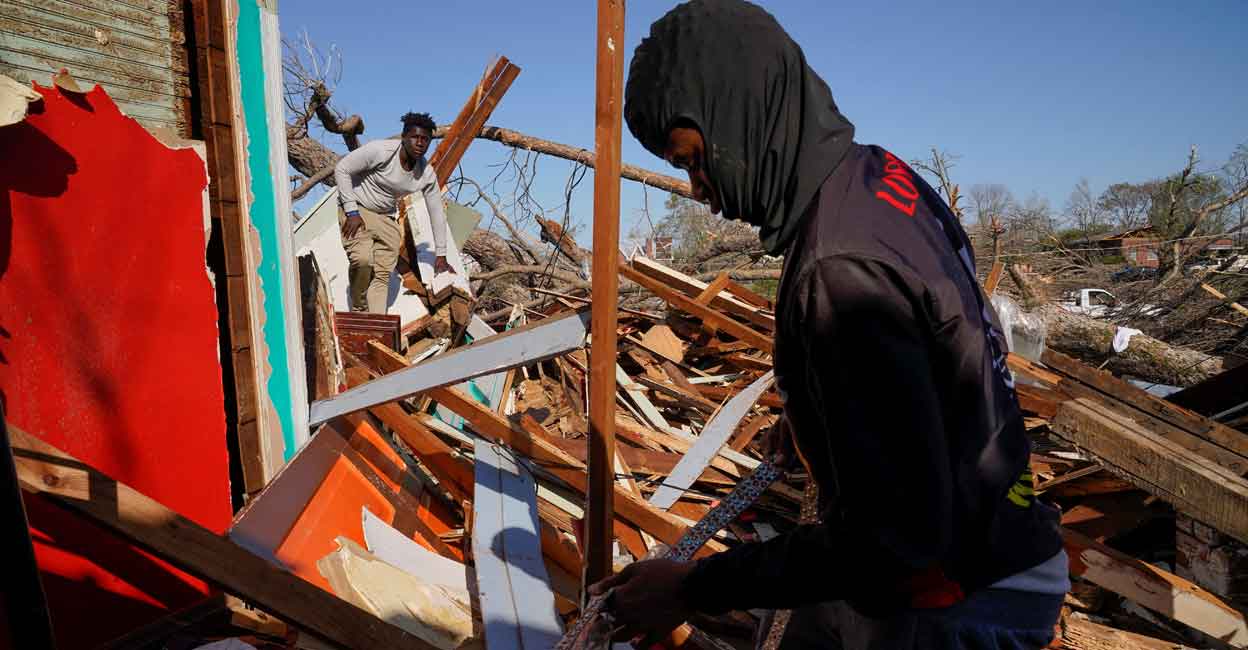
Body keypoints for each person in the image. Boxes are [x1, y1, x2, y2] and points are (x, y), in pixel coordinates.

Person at [589, 2, 1069, 648]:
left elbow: (893, 544)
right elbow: (940, 339)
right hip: (997, 541)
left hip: (959, 597)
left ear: (738, 112)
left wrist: (690, 589)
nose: (699, 189)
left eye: (693, 160)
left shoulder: (838, 270)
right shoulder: (878, 180)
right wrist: (826, 417)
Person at [333, 111, 452, 313]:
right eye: (415, 137)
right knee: (362, 260)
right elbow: (342, 168)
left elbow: (437, 212)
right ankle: (360, 308)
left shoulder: (426, 174)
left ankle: (377, 329)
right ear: (404, 137)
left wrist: (441, 255)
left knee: (381, 276)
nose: (420, 143)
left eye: (425, 140)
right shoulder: (381, 151)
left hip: (387, 218)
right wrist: (351, 212)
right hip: (359, 211)